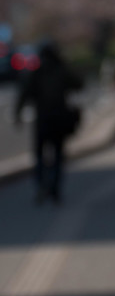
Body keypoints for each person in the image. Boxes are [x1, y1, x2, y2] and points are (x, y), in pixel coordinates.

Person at [14, 41, 83, 203]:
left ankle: (42, 186)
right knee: (57, 155)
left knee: (40, 156)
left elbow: (24, 94)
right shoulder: (61, 70)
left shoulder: (37, 73)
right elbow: (79, 84)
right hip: (59, 120)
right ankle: (54, 187)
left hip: (43, 121)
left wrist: (18, 114)